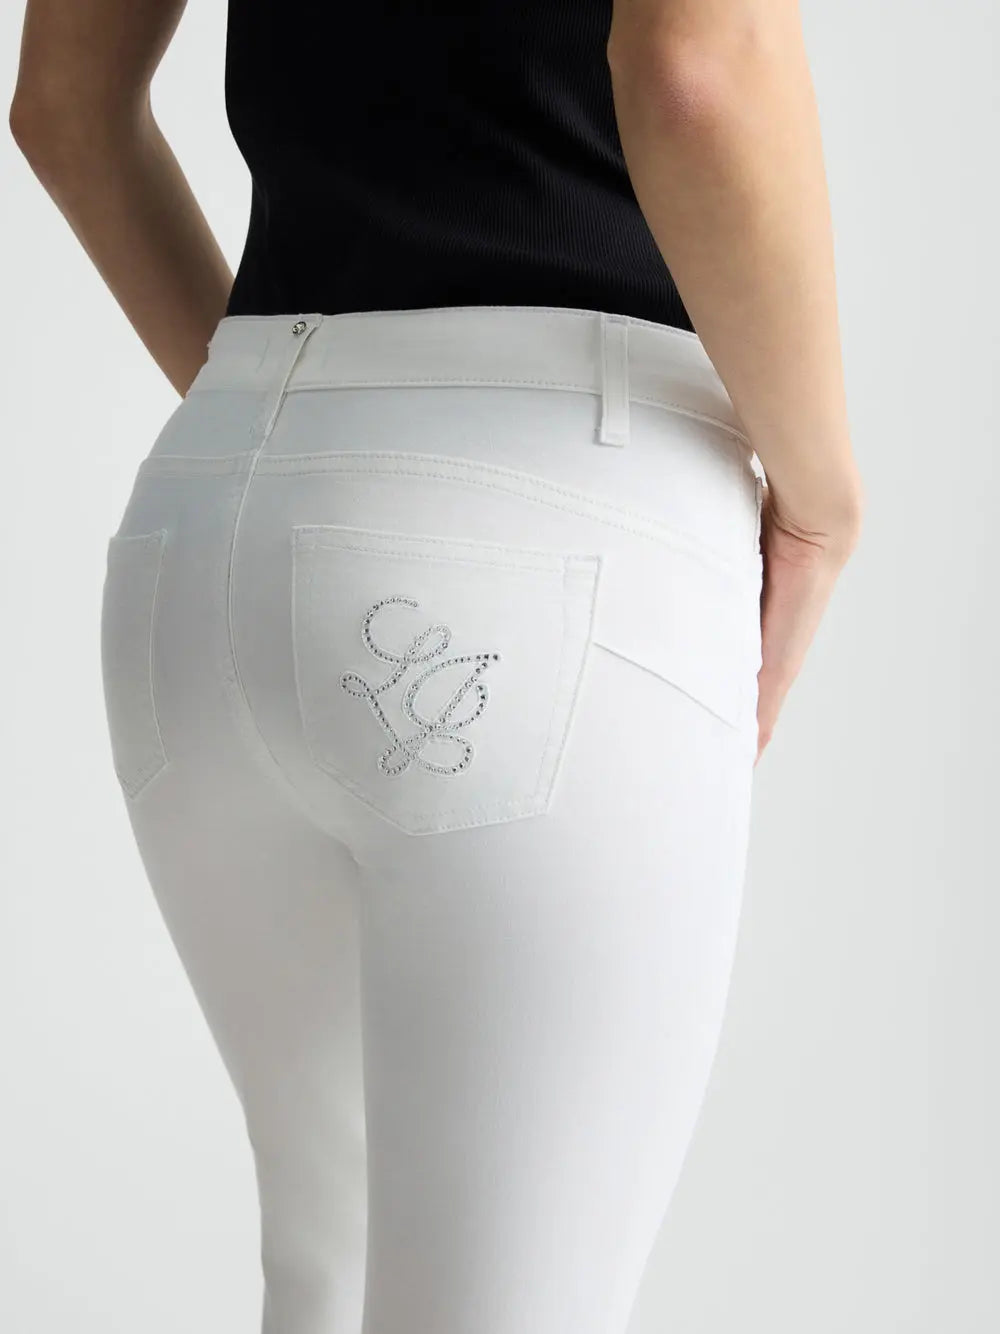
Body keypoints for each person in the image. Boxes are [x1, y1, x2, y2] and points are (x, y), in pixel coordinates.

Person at [10, 2, 863, 1331]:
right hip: (554, 509)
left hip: (207, 529)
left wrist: (287, 440)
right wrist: (822, 502)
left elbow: (61, 108)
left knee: (323, 1274)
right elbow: (698, 72)